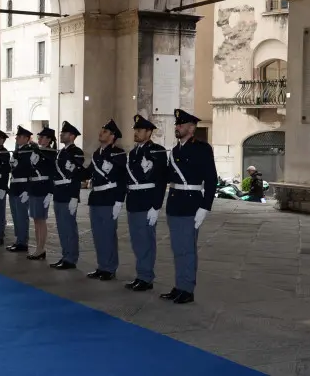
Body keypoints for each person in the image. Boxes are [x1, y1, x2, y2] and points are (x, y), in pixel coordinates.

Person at [161, 109, 217, 305]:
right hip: (175, 203)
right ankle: (179, 285)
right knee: (177, 249)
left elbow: (211, 179)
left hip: (191, 203)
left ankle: (187, 289)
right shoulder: (175, 150)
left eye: (181, 124)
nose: (177, 127)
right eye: (177, 124)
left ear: (191, 128)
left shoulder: (202, 148)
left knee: (187, 249)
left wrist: (205, 207)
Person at [124, 115, 168, 292]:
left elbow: (161, 179)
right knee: (136, 241)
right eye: (135, 130)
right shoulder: (133, 152)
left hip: (147, 200)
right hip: (133, 200)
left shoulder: (157, 151)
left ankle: (146, 277)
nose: (136, 133)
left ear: (149, 132)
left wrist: (156, 206)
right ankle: (140, 274)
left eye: (140, 130)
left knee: (145, 241)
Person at [86, 119, 127, 281]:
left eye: (104, 132)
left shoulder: (118, 153)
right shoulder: (97, 153)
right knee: (98, 235)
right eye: (101, 130)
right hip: (96, 198)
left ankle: (110, 268)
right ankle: (102, 266)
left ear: (112, 136)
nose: (100, 133)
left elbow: (123, 178)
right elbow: (88, 172)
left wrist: (119, 200)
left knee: (108, 235)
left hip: (109, 198)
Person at [50, 121, 85, 270]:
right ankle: (65, 255)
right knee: (62, 227)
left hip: (68, 193)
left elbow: (76, 176)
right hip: (59, 193)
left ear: (71, 136)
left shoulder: (76, 152)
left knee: (69, 227)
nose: (61, 135)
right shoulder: (62, 152)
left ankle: (71, 258)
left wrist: (74, 196)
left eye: (64, 133)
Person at [27, 127, 56, 260]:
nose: (39, 139)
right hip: (34, 187)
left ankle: (41, 248)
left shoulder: (51, 153)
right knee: (35, 219)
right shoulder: (36, 151)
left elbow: (52, 174)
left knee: (41, 219)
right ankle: (38, 247)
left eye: (42, 137)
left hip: (43, 188)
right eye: (39, 137)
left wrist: (50, 192)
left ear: (49, 140)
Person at [7, 126, 36, 253]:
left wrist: (27, 190)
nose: (16, 138)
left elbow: (31, 171)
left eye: (19, 136)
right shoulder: (17, 151)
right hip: (14, 186)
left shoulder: (29, 151)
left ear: (26, 138)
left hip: (23, 186)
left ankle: (23, 242)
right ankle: (18, 239)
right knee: (15, 215)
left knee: (22, 215)